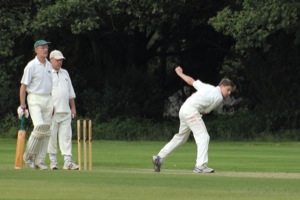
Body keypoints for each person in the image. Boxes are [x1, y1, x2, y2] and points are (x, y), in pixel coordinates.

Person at [152, 66, 235, 173]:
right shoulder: (218, 97)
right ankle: (200, 165)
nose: (228, 93)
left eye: (230, 91)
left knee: (181, 138)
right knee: (204, 136)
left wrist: (180, 73)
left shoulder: (206, 86)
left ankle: (159, 158)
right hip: (192, 111)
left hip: (184, 109)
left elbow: (191, 81)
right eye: (228, 90)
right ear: (222, 86)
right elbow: (205, 112)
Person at [18, 39, 54, 170]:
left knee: (47, 131)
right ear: (36, 50)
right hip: (34, 98)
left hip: (47, 99)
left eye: (46, 48)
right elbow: (23, 86)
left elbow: (51, 86)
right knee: (39, 127)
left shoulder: (49, 65)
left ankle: (40, 160)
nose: (45, 50)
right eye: (42, 48)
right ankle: (28, 157)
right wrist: (23, 105)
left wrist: (52, 103)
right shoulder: (31, 65)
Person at [47, 50, 79, 170]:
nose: (60, 62)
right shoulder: (47, 73)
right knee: (52, 136)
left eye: (61, 60)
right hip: (52, 111)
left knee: (66, 137)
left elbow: (70, 92)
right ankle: (53, 161)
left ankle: (67, 162)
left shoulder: (65, 73)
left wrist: (73, 108)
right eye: (57, 60)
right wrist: (49, 107)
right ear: (51, 60)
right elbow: (46, 92)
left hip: (65, 111)